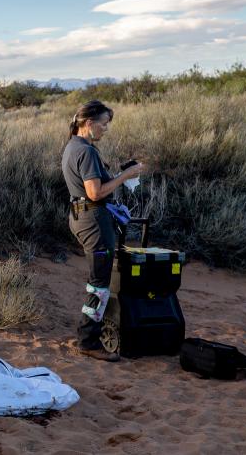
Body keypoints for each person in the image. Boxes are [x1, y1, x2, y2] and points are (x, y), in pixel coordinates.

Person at [61, 100, 146, 362]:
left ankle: (91, 334)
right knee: (99, 284)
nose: (106, 129)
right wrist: (126, 175)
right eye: (104, 124)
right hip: (94, 221)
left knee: (98, 281)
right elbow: (95, 192)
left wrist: (117, 174)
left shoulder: (74, 147)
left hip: (84, 217)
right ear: (89, 123)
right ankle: (88, 341)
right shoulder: (85, 151)